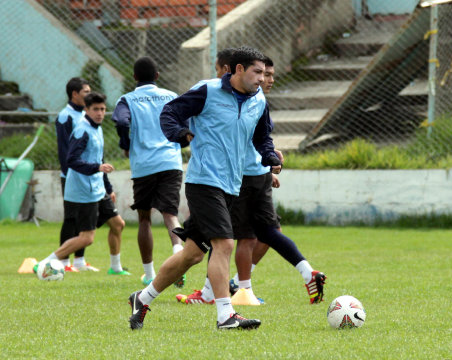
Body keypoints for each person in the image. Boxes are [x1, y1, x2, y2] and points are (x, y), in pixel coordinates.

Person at [127, 46, 281, 330]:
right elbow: (170, 112)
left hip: (232, 185)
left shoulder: (258, 100)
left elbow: (262, 136)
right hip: (204, 181)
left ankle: (143, 297)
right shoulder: (207, 91)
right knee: (224, 244)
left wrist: (269, 156)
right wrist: (179, 134)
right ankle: (226, 315)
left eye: (264, 73)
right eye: (257, 72)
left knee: (193, 254)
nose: (263, 78)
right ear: (237, 70)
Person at [184, 57, 326, 305]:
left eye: (269, 75)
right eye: (263, 74)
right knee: (265, 232)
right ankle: (304, 273)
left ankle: (222, 291)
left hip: (241, 175)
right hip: (256, 173)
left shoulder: (249, 97)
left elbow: (246, 137)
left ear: (229, 70)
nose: (267, 80)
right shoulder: (244, 95)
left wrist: (267, 161)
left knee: (226, 234)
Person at [36, 92, 129, 276]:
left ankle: (115, 268)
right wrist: (97, 167)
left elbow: (98, 159)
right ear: (86, 109)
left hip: (97, 188)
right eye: (95, 109)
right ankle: (45, 262)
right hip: (82, 190)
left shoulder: (97, 128)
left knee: (118, 224)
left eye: (103, 109)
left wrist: (108, 188)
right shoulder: (81, 130)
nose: (100, 113)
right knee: (87, 238)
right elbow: (72, 160)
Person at [112, 56, 185, 287]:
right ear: (157, 76)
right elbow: (185, 123)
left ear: (134, 77)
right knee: (170, 214)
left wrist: (126, 144)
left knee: (144, 217)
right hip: (170, 162)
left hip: (144, 165)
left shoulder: (127, 99)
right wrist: (179, 143)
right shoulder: (171, 96)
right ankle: (177, 254)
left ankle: (150, 273)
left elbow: (122, 122)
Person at [55, 77, 93, 272]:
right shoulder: (65, 116)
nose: (89, 94)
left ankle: (79, 261)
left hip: (86, 175)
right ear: (75, 94)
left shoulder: (87, 115)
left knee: (85, 218)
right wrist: (70, 173)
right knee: (71, 218)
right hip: (71, 175)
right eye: (85, 91)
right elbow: (64, 151)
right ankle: (63, 262)